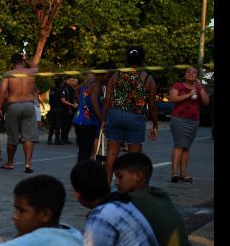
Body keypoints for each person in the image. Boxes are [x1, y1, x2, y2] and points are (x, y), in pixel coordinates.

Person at [113, 152, 192, 246]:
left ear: (138, 176)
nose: (116, 182)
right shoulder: (160, 195)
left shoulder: (131, 201)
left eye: (120, 176)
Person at [102, 45, 158, 186]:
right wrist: (155, 125)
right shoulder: (148, 79)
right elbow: (152, 105)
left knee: (112, 153)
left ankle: (106, 185)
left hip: (115, 115)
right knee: (134, 158)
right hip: (135, 117)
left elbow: (107, 100)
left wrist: (103, 120)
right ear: (142, 59)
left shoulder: (116, 75)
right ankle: (131, 188)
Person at [0, 53, 38, 173]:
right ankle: (28, 164)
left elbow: (2, 92)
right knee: (29, 137)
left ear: (12, 63)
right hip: (29, 105)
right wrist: (27, 60)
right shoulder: (31, 72)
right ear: (22, 61)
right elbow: (35, 67)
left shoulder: (8, 74)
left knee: (12, 137)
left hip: (13, 105)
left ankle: (10, 163)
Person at [168, 67, 210, 183]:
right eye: (188, 72)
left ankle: (183, 174)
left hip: (193, 121)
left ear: (197, 76)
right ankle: (174, 174)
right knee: (179, 145)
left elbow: (206, 102)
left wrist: (200, 89)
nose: (191, 74)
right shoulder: (178, 86)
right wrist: (189, 94)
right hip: (179, 119)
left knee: (186, 147)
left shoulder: (199, 88)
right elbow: (172, 98)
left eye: (194, 72)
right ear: (185, 74)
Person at [72, 62, 113, 162]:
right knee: (86, 153)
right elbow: (94, 102)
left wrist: (83, 105)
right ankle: (81, 175)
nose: (108, 80)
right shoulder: (97, 84)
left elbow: (76, 90)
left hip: (78, 120)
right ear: (103, 73)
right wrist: (102, 119)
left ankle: (81, 173)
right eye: (108, 77)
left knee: (83, 152)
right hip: (88, 123)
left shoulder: (88, 81)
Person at [46, 78, 67, 145]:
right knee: (58, 125)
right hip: (59, 109)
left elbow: (50, 100)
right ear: (61, 83)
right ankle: (57, 140)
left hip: (52, 109)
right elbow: (63, 100)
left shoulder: (52, 90)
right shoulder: (61, 89)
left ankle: (49, 139)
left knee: (52, 125)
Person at [60, 76, 78, 144]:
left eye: (73, 80)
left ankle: (65, 139)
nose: (72, 81)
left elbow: (72, 98)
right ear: (67, 80)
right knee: (65, 124)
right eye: (71, 80)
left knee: (68, 124)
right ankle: (63, 139)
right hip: (65, 109)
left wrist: (75, 103)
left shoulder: (71, 88)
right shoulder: (64, 87)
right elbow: (64, 100)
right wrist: (71, 106)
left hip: (70, 108)